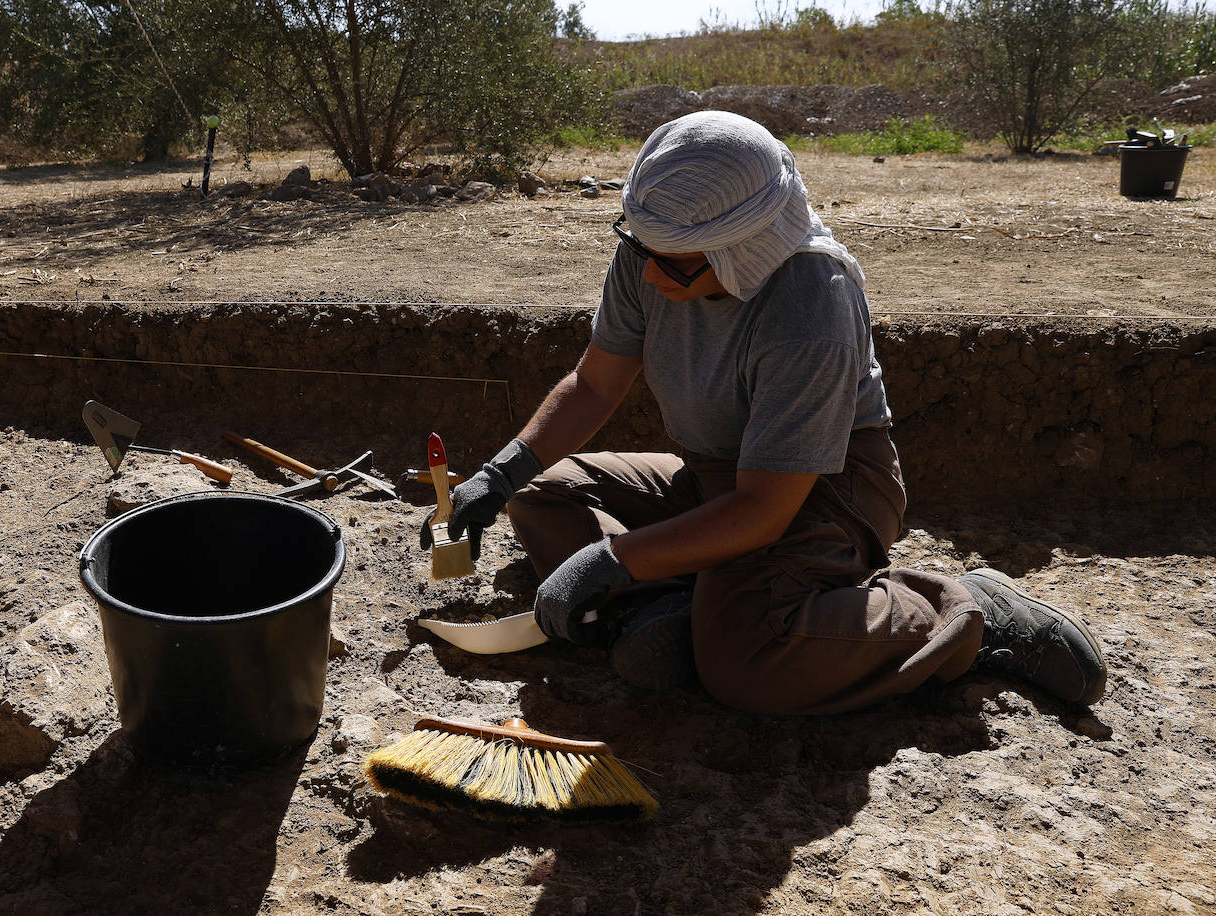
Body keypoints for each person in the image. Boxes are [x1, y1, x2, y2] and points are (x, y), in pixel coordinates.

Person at [422, 110, 1106, 715]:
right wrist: (499, 477)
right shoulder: (657, 250)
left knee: (750, 667)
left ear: (746, 251)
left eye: (679, 267)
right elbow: (595, 385)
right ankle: (670, 612)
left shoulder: (811, 302)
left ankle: (958, 612)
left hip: (826, 492)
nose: (652, 278)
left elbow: (765, 512)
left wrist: (616, 556)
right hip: (723, 475)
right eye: (643, 251)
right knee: (544, 497)